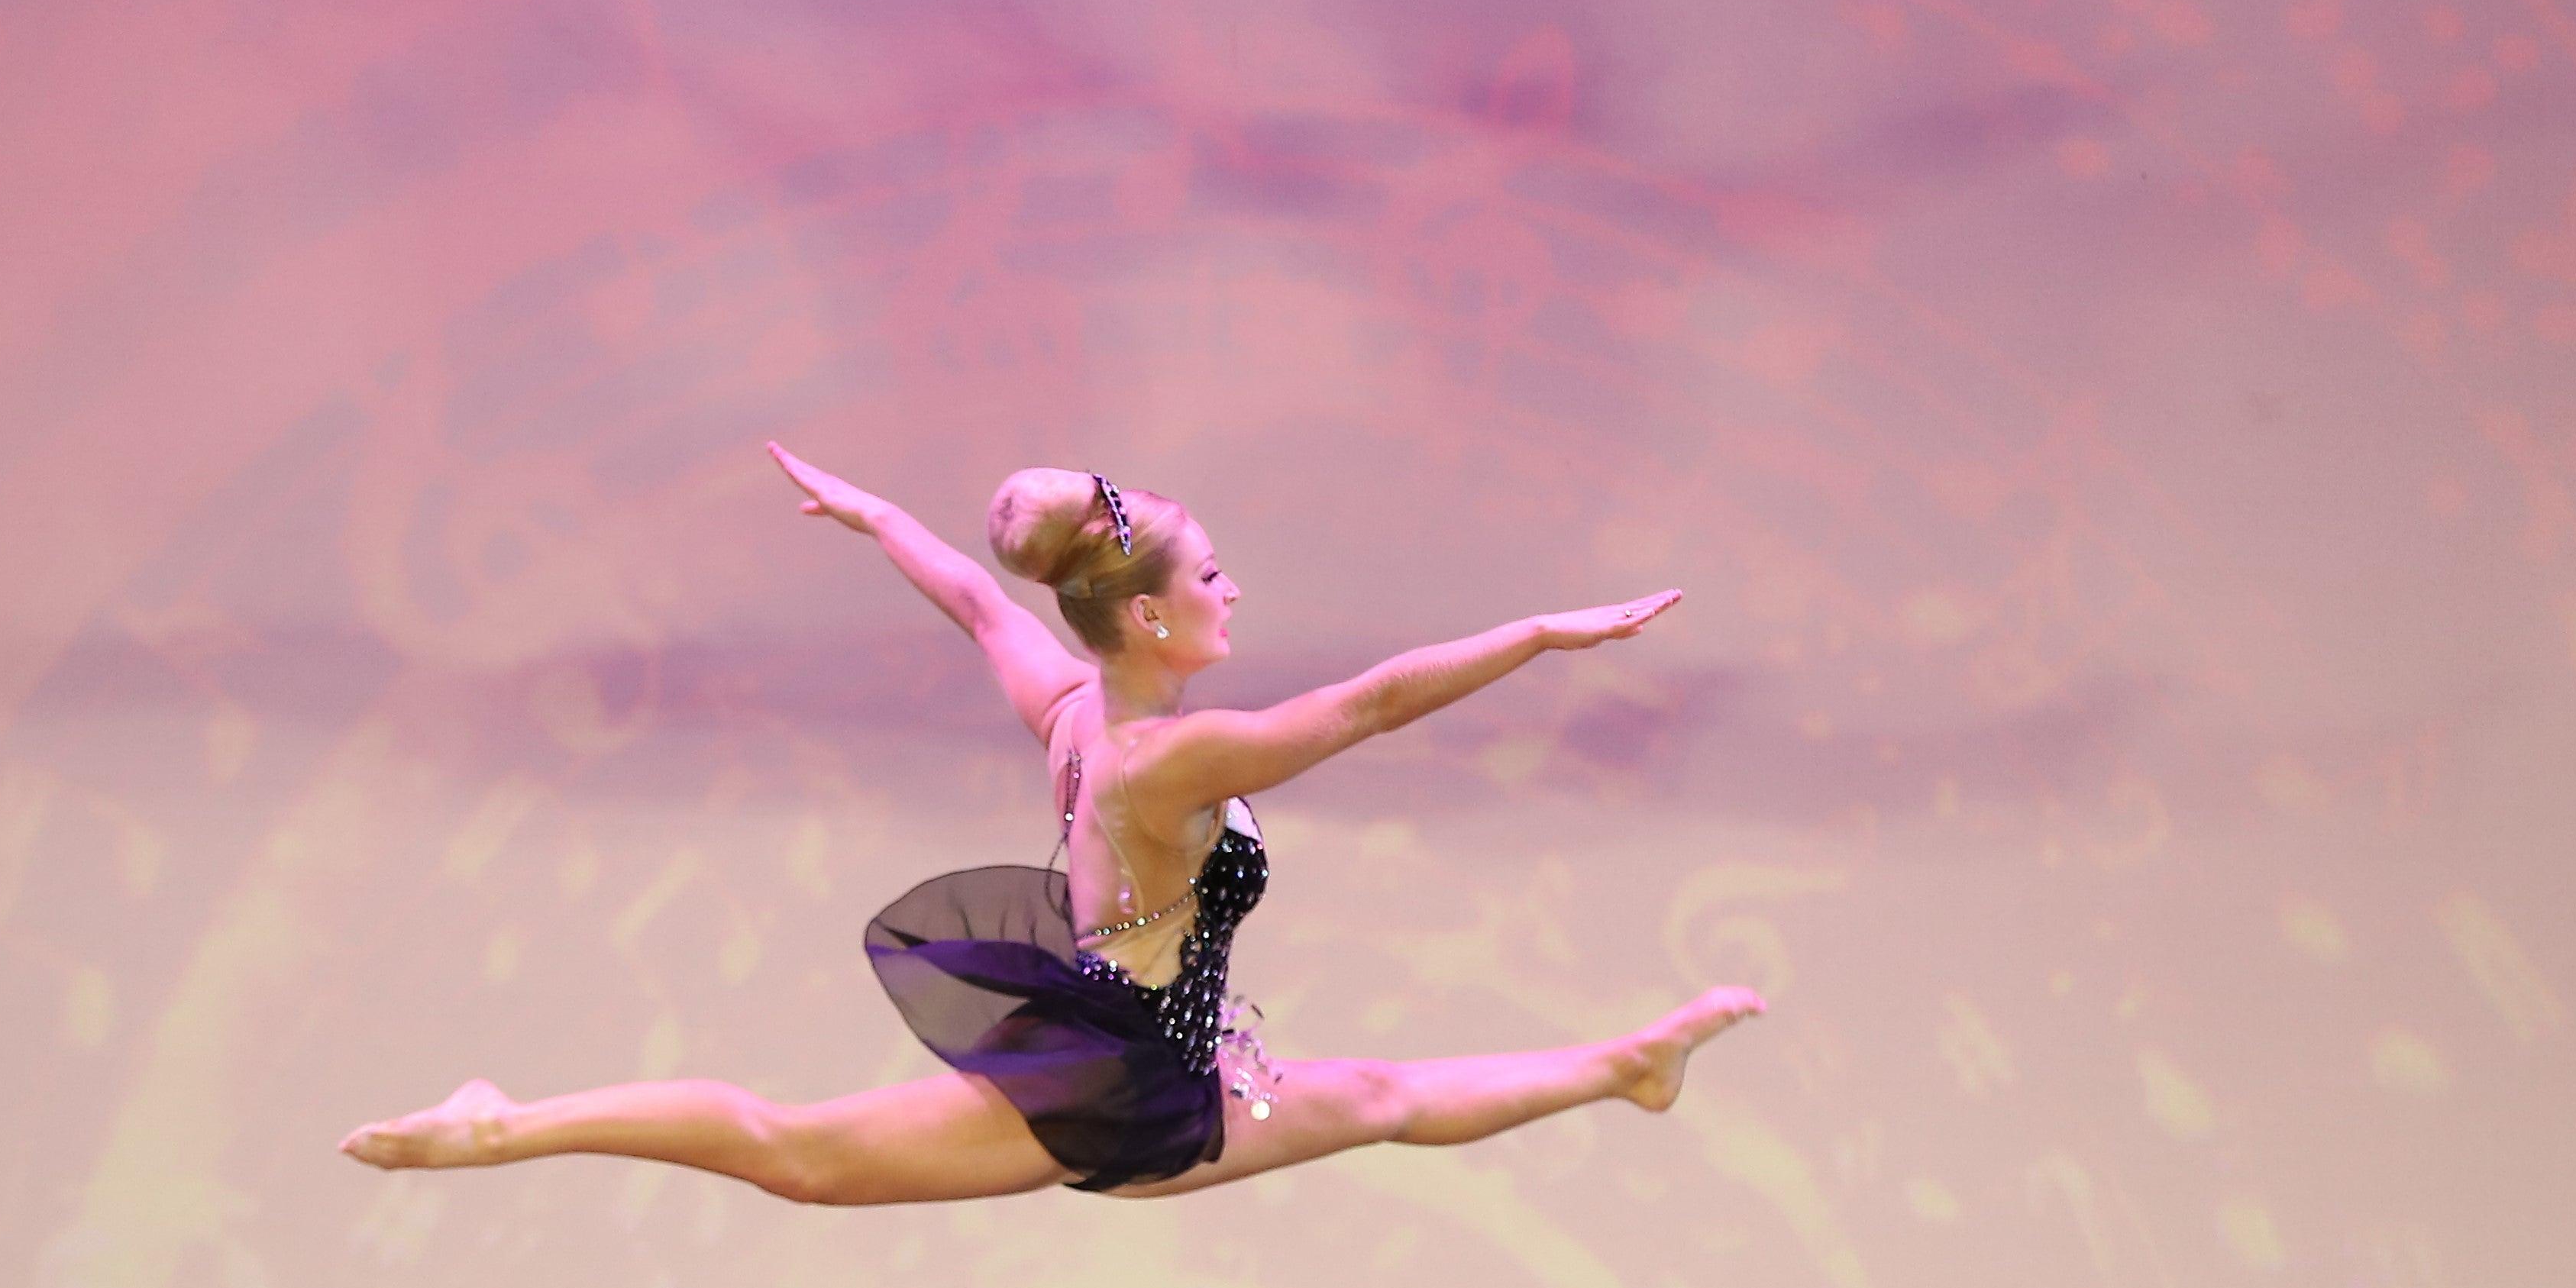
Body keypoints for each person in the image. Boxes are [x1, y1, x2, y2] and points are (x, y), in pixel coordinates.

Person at [339, 443, 1763, 1202]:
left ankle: (1628, 1065)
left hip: (1179, 1061)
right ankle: (502, 1126)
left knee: (1385, 1098)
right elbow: (1376, 703)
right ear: (1150, 614)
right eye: (1216, 574)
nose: (1236, 591)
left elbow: (975, 595)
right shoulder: (1165, 760)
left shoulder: (1076, 706)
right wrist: (1541, 632)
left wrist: (876, 514)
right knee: (797, 1152)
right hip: (1123, 1092)